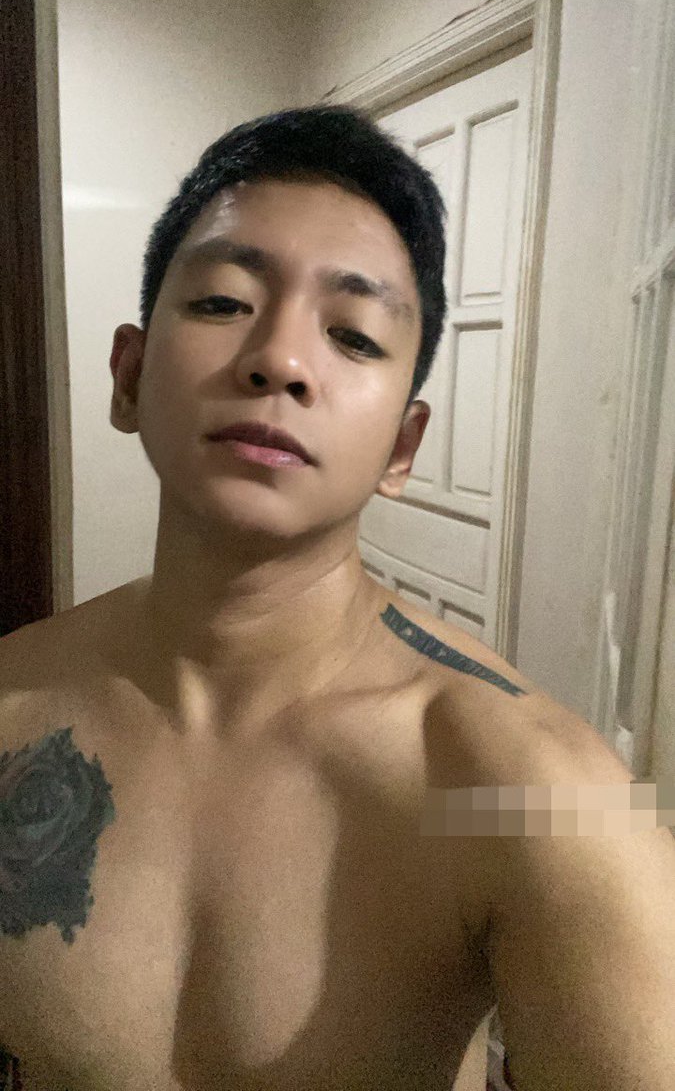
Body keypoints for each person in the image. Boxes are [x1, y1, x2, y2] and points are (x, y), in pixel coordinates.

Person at [1, 106, 674, 1091]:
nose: (279, 360)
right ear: (130, 377)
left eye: (354, 336)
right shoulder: (12, 706)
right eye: (224, 301)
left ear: (403, 447)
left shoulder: (520, 790)